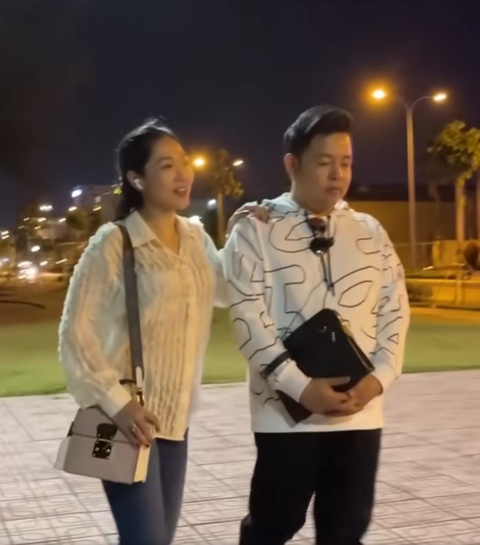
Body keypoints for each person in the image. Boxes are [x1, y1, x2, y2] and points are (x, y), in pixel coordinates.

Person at [58, 119, 268, 545]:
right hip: (127, 423)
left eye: (184, 162)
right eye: (167, 165)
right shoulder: (113, 243)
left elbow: (227, 290)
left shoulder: (194, 237)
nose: (183, 174)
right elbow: (75, 334)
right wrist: (118, 404)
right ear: (137, 178)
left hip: (176, 423)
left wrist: (243, 233)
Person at [223, 105, 410, 545]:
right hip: (284, 418)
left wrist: (378, 380)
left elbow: (396, 311)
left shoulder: (370, 231)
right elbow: (248, 319)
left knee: (345, 532)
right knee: (271, 528)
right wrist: (301, 387)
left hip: (360, 417)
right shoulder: (255, 230)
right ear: (293, 164)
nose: (337, 174)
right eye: (325, 162)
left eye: (346, 162)